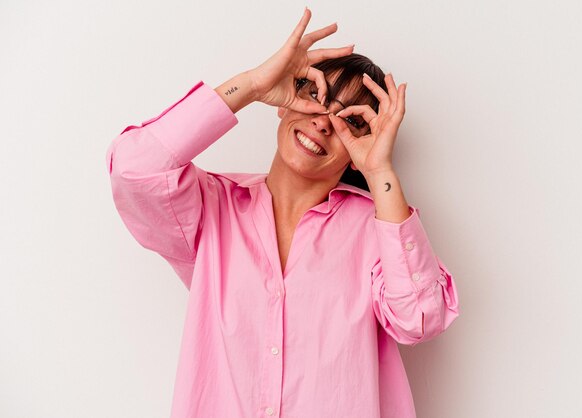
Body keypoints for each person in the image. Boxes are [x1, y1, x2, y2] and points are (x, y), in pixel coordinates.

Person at [105, 6, 459, 418]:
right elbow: (135, 169)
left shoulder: (376, 229)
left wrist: (380, 170)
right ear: (284, 101)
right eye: (315, 97)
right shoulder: (212, 208)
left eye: (351, 122)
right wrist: (252, 85)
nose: (325, 123)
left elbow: (419, 318)